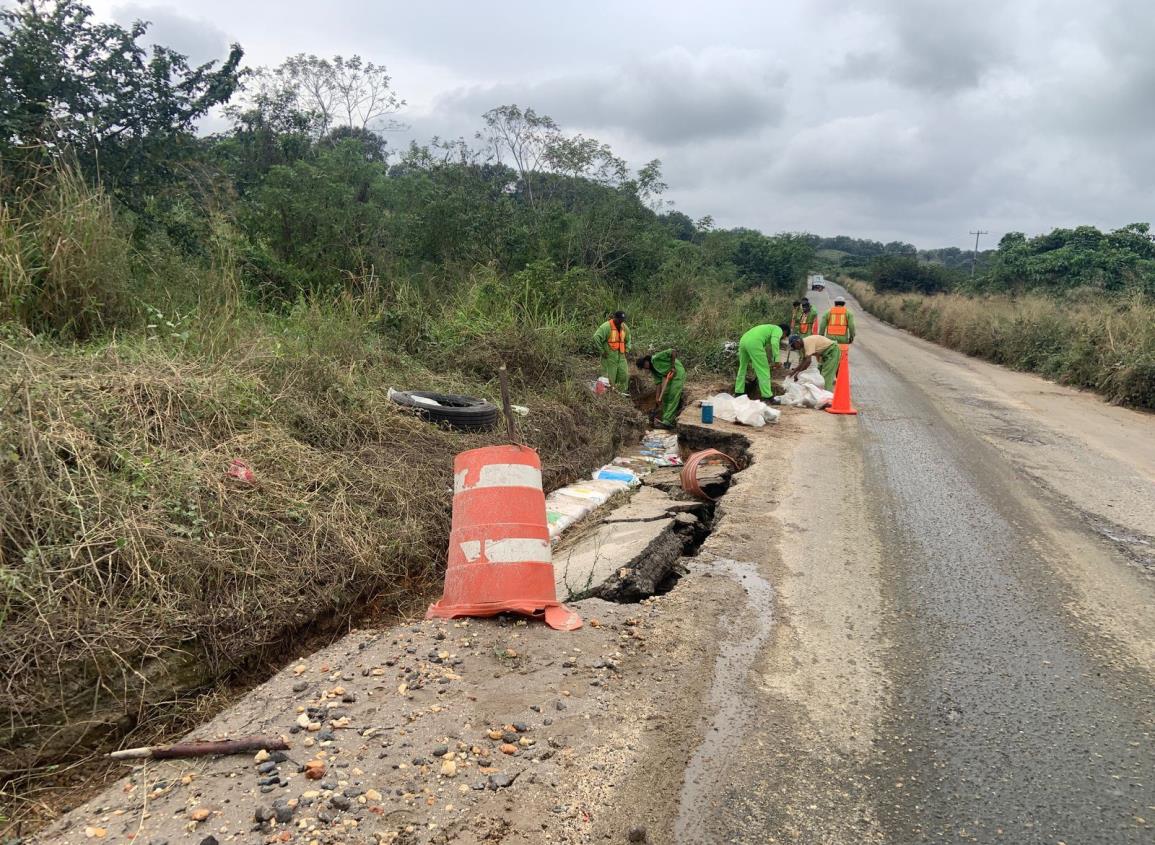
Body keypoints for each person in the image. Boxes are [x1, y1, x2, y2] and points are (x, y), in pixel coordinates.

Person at [735, 322, 791, 399]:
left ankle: (738, 392)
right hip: (754, 342)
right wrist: (777, 361)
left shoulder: (767, 328)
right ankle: (767, 396)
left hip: (743, 340)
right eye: (784, 336)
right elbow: (774, 343)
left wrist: (757, 365)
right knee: (764, 370)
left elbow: (757, 354)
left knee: (742, 367)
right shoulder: (778, 329)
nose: (782, 338)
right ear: (785, 332)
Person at [636, 350, 685, 427]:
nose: (645, 367)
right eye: (643, 367)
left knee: (672, 395)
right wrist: (657, 397)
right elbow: (658, 383)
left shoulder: (656, 358)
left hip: (677, 371)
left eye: (644, 365)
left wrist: (672, 367)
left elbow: (673, 352)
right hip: (669, 376)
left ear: (646, 360)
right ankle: (665, 418)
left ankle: (668, 420)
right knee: (665, 396)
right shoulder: (653, 370)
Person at [593, 311, 631, 393]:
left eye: (622, 320)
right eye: (619, 319)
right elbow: (596, 337)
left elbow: (628, 339)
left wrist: (627, 349)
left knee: (623, 375)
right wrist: (602, 351)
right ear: (615, 318)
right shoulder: (606, 326)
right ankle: (609, 394)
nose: (621, 322)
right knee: (609, 377)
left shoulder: (624, 327)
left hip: (621, 357)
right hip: (609, 357)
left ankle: (621, 393)